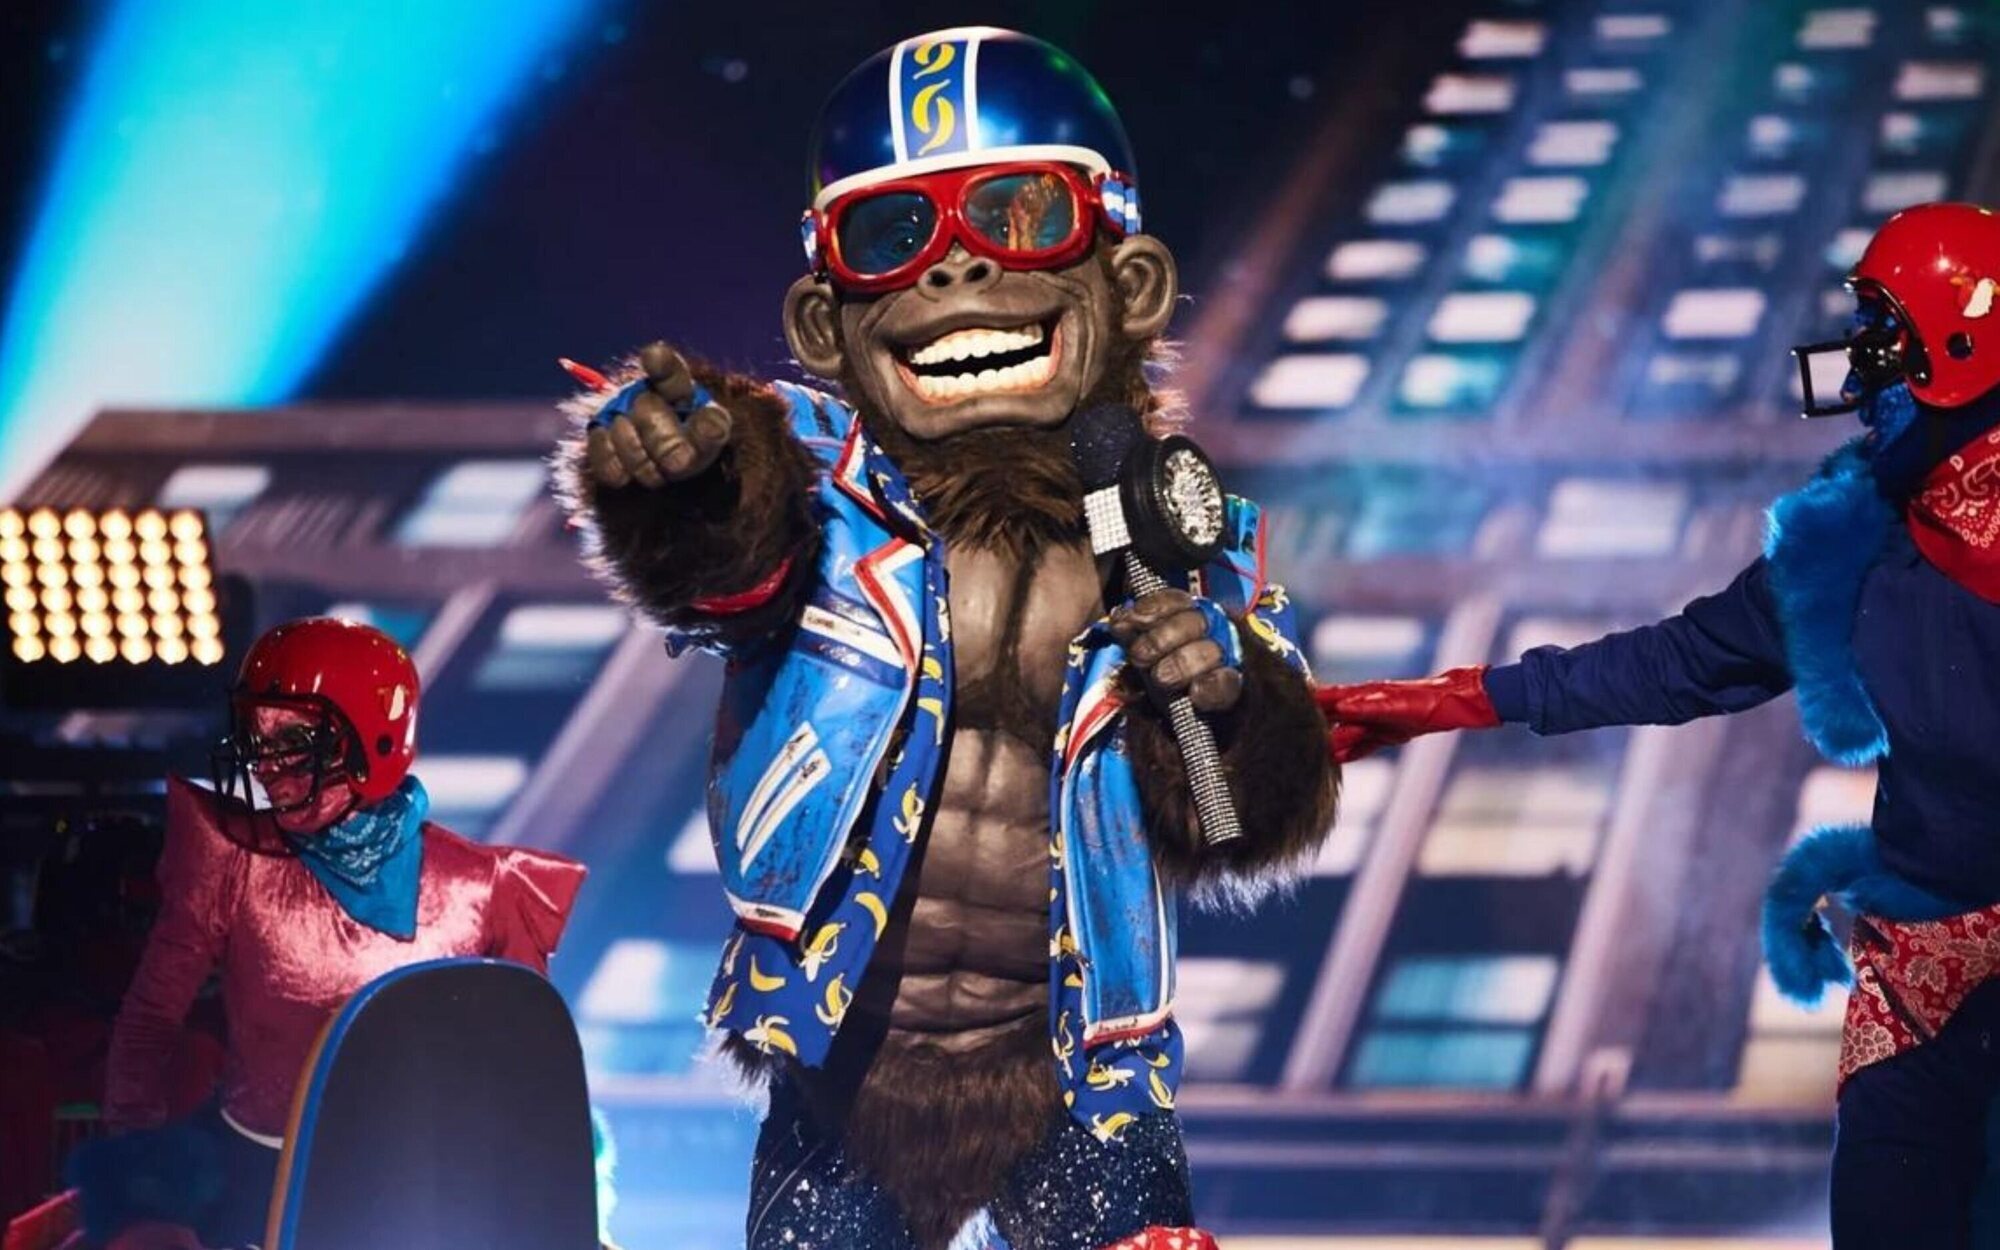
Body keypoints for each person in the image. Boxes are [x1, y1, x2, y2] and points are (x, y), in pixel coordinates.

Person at [554, 27, 1339, 1250]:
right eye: (892, 234)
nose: (957, 268)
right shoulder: (808, 492)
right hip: (844, 1068)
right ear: (826, 324)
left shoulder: (1173, 541)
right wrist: (677, 481)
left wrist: (1225, 698)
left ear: (1128, 285)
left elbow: (1230, 821)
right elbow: (727, 564)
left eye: (1019, 216)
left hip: (1086, 1076)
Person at [1317, 203, 2000, 1250]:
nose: (1858, 388)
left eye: (1879, 345)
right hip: (1919, 986)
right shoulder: (1845, 544)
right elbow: (1674, 661)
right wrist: (1439, 702)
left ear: (1957, 347)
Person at [76, 617, 586, 1249]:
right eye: (256, 734)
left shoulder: (487, 887)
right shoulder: (230, 858)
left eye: (293, 738)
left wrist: (536, 1199)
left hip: (425, 1196)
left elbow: (528, 1073)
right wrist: (144, 1196)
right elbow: (150, 1021)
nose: (265, 763)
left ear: (372, 738)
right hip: (252, 1190)